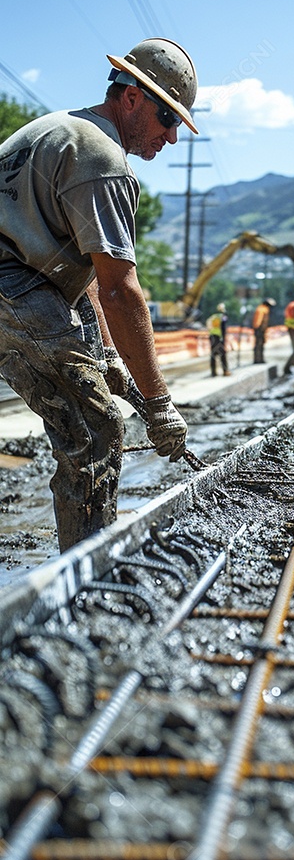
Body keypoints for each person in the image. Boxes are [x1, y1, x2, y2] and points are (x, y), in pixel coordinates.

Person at [0, 37, 197, 552]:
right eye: (167, 118)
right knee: (96, 427)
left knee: (86, 414)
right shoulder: (102, 158)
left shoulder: (56, 129)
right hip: (12, 283)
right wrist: (158, 403)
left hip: (20, 281)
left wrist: (107, 353)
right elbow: (118, 287)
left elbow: (83, 274)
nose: (171, 137)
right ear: (131, 97)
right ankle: (86, 577)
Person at [206, 302, 229, 376]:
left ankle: (213, 372)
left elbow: (208, 324)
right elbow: (223, 328)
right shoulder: (223, 316)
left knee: (213, 354)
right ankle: (225, 371)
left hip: (212, 336)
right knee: (223, 354)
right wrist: (223, 338)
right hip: (219, 337)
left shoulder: (213, 316)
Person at [252, 297, 275, 363]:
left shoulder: (261, 308)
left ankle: (259, 359)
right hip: (259, 329)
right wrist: (260, 328)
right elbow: (260, 320)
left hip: (259, 328)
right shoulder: (263, 309)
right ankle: (258, 359)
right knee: (259, 344)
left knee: (259, 344)